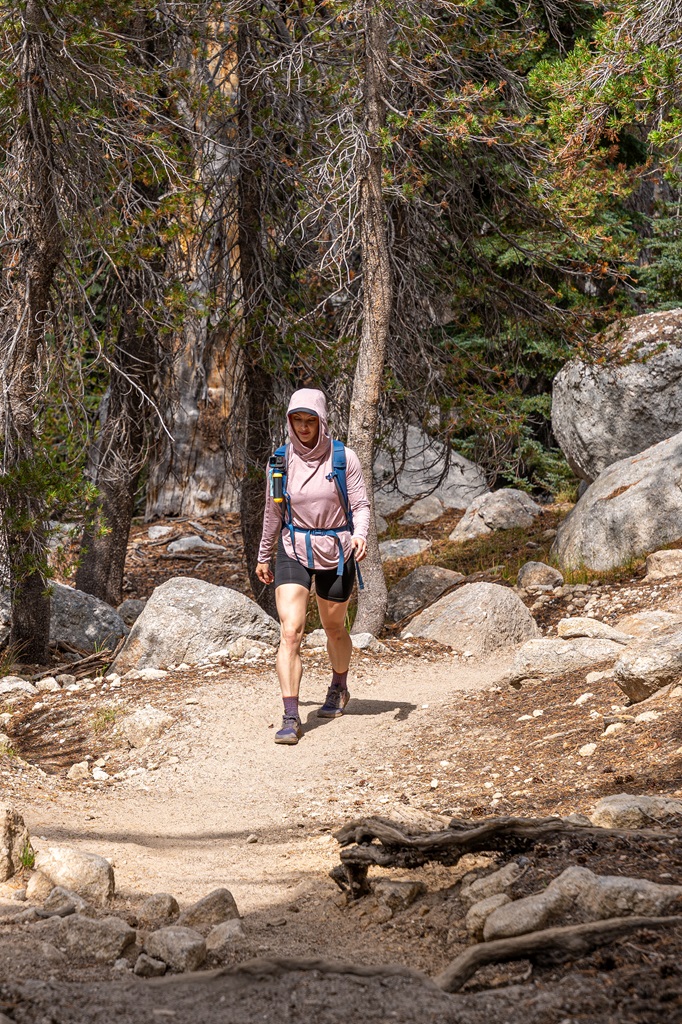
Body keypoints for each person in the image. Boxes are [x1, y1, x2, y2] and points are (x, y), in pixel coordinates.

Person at [256, 388, 370, 745]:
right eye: (297, 420)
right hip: (293, 547)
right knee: (291, 631)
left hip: (338, 550)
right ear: (289, 421)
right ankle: (291, 716)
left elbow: (362, 506)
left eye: (310, 421)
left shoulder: (343, 458)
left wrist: (360, 535)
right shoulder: (278, 461)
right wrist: (263, 554)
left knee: (334, 626)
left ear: (321, 421)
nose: (303, 428)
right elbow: (273, 513)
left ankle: (338, 686)